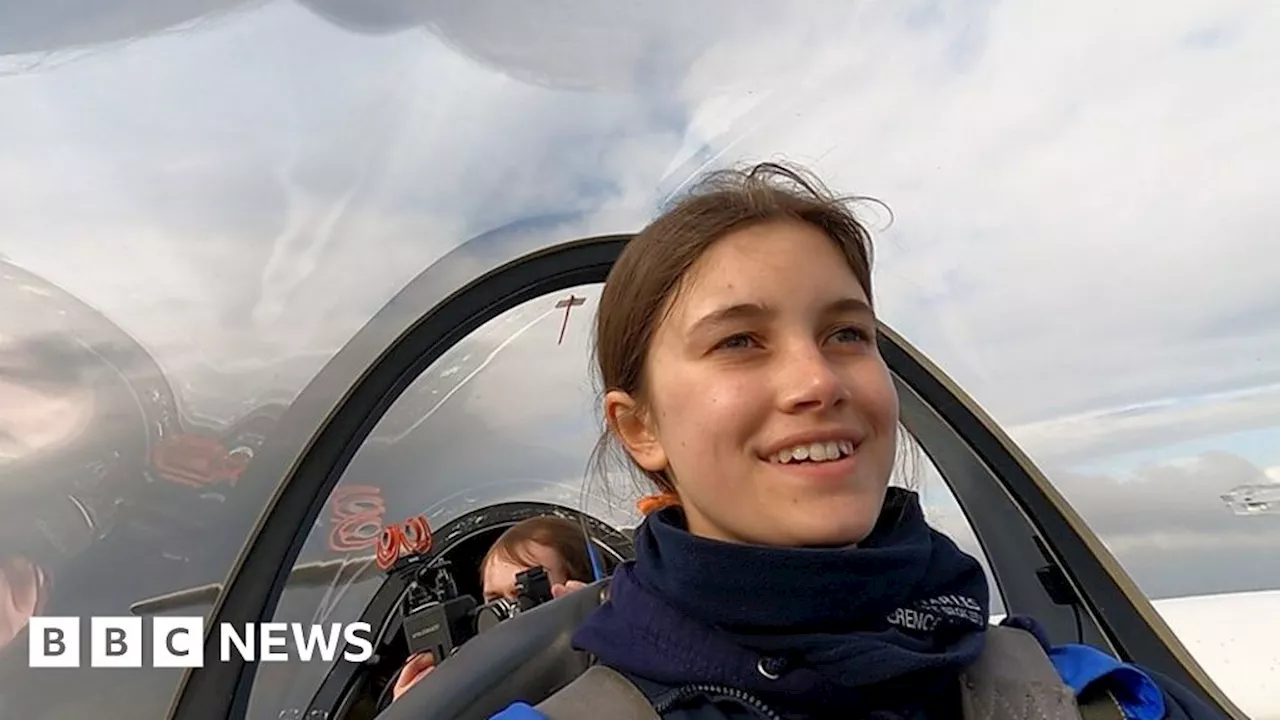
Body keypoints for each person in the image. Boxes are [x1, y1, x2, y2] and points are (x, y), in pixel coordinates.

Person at [490, 163, 1227, 719]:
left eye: (846, 333)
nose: (818, 380)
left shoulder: (1099, 698)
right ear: (640, 427)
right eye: (741, 340)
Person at [391, 515, 596, 701]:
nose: (508, 614)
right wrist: (416, 707)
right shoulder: (478, 688)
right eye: (495, 601)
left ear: (577, 588)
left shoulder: (609, 665)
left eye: (525, 595)